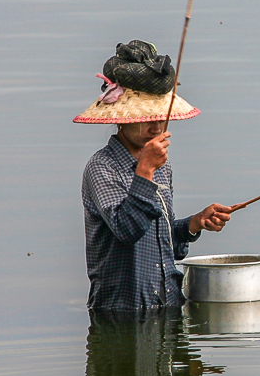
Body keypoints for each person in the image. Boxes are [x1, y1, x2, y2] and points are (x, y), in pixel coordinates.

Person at [75, 40, 232, 310]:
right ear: (121, 120)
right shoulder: (102, 167)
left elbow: (164, 242)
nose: (157, 127)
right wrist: (145, 170)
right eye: (146, 118)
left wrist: (194, 224)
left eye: (160, 117)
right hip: (123, 309)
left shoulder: (162, 165)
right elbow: (127, 230)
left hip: (167, 302)